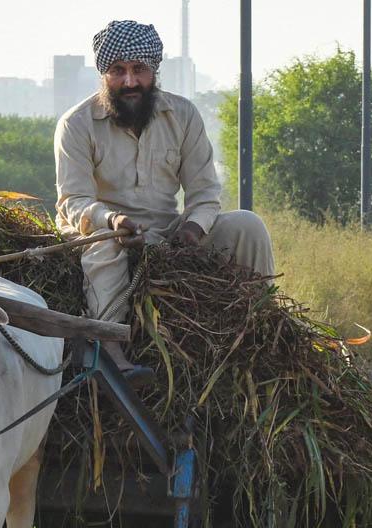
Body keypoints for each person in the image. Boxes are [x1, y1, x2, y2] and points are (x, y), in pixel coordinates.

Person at [54, 20, 275, 379]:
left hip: (167, 234)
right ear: (103, 74)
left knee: (247, 224)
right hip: (98, 233)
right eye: (118, 71)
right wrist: (114, 222)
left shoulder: (183, 115)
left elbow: (205, 195)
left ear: (154, 71)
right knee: (104, 246)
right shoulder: (76, 124)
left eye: (139, 70)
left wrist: (190, 230)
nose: (129, 82)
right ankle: (111, 353)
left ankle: (265, 330)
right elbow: (73, 201)